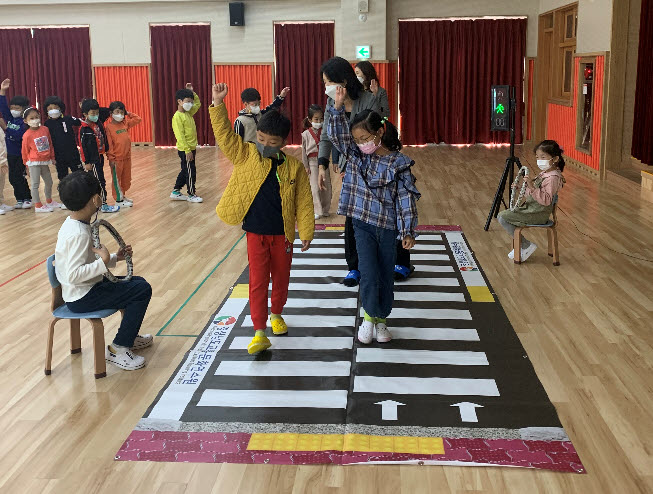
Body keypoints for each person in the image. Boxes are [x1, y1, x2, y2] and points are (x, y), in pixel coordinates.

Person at [210, 82, 314, 355]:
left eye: (272, 142)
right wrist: (218, 104)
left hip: (283, 234)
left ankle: (276, 313)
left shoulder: (294, 167)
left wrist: (306, 231)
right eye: (261, 139)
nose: (265, 145)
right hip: (255, 232)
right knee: (257, 281)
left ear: (284, 143)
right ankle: (259, 330)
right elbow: (224, 136)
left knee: (281, 278)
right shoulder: (245, 154)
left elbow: (304, 201)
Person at [328, 86, 420, 344]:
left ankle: (381, 320)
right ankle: (368, 318)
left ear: (379, 132)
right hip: (362, 225)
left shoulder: (399, 163)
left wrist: (407, 231)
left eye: (365, 138)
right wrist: (337, 108)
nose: (361, 144)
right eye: (357, 140)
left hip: (388, 229)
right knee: (368, 273)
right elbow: (336, 136)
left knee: (384, 274)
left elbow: (405, 199)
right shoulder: (356, 157)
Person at [55, 172, 153, 371]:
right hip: (82, 297)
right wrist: (105, 261)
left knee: (138, 283)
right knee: (141, 290)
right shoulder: (78, 234)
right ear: (95, 200)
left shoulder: (74, 224)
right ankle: (119, 348)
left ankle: (129, 336)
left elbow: (87, 262)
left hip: (86, 289)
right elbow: (74, 275)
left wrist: (115, 257)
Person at [318, 57, 381, 287]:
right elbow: (327, 135)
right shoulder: (331, 103)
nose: (326, 87)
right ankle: (354, 267)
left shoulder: (368, 100)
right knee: (352, 217)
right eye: (324, 83)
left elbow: (374, 133)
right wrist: (322, 164)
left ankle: (390, 261)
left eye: (328, 82)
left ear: (343, 81)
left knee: (380, 214)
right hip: (351, 168)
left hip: (373, 165)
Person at [497, 140, 566, 262]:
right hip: (532, 209)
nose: (539, 160)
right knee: (505, 216)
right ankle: (522, 245)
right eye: (537, 157)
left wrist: (531, 186)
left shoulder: (553, 178)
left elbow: (545, 200)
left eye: (543, 157)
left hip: (538, 214)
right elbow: (533, 195)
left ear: (555, 159)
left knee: (503, 217)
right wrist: (521, 188)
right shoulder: (544, 174)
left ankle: (525, 245)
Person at [79, 99, 120, 213]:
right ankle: (103, 204)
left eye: (97, 112)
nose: (96, 115)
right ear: (85, 114)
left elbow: (106, 110)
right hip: (92, 160)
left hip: (99, 157)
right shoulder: (84, 129)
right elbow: (83, 147)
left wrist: (91, 105)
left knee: (98, 181)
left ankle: (96, 203)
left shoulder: (98, 123)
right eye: (93, 113)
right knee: (100, 182)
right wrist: (86, 162)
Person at [21, 107, 62, 213]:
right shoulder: (27, 135)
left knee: (49, 182)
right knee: (35, 184)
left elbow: (50, 144)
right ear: (26, 121)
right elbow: (24, 151)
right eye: (31, 118)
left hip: (45, 161)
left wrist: (52, 157)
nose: (35, 120)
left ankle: (49, 201)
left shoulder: (45, 129)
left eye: (36, 117)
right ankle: (38, 205)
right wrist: (26, 165)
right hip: (34, 162)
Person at [0, 78, 32, 209]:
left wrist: (6, 129)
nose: (13, 110)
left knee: (20, 177)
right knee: (12, 178)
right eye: (12, 107)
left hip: (21, 155)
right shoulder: (10, 118)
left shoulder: (24, 122)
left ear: (23, 109)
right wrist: (2, 91)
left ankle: (27, 198)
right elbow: (3, 107)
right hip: (11, 155)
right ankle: (19, 199)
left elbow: (19, 136)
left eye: (17, 108)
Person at [105, 101, 142, 207]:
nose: (120, 114)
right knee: (117, 180)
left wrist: (128, 113)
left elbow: (138, 119)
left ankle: (122, 195)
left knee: (126, 179)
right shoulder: (109, 127)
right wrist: (111, 158)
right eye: (117, 112)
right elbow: (109, 145)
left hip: (127, 157)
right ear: (111, 113)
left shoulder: (125, 123)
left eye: (122, 112)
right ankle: (118, 200)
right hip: (117, 159)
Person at [171, 83, 203, 203]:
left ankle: (176, 191)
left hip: (191, 148)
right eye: (188, 101)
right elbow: (180, 136)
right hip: (186, 150)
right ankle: (191, 194)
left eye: (191, 102)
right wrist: (187, 150)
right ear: (179, 101)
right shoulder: (177, 117)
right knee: (190, 172)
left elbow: (198, 104)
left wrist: (192, 92)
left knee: (186, 170)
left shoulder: (188, 113)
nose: (190, 104)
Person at [43, 96, 83, 185]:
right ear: (47, 111)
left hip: (73, 154)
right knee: (63, 178)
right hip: (59, 156)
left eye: (56, 107)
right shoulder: (47, 124)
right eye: (50, 109)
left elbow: (80, 122)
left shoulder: (68, 119)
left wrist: (83, 109)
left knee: (80, 175)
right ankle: (66, 192)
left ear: (61, 108)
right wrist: (51, 156)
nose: (53, 110)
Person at [301, 104, 331, 220]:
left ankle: (325, 209)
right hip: (312, 162)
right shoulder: (305, 134)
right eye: (316, 119)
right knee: (314, 187)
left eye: (321, 119)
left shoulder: (325, 132)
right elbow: (304, 152)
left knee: (326, 186)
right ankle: (317, 210)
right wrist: (306, 166)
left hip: (323, 162)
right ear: (310, 120)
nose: (319, 122)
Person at [0, 118, 11, 214]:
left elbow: (3, 144)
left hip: (2, 160)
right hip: (1, 161)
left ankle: (0, 202)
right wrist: (2, 162)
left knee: (1, 182)